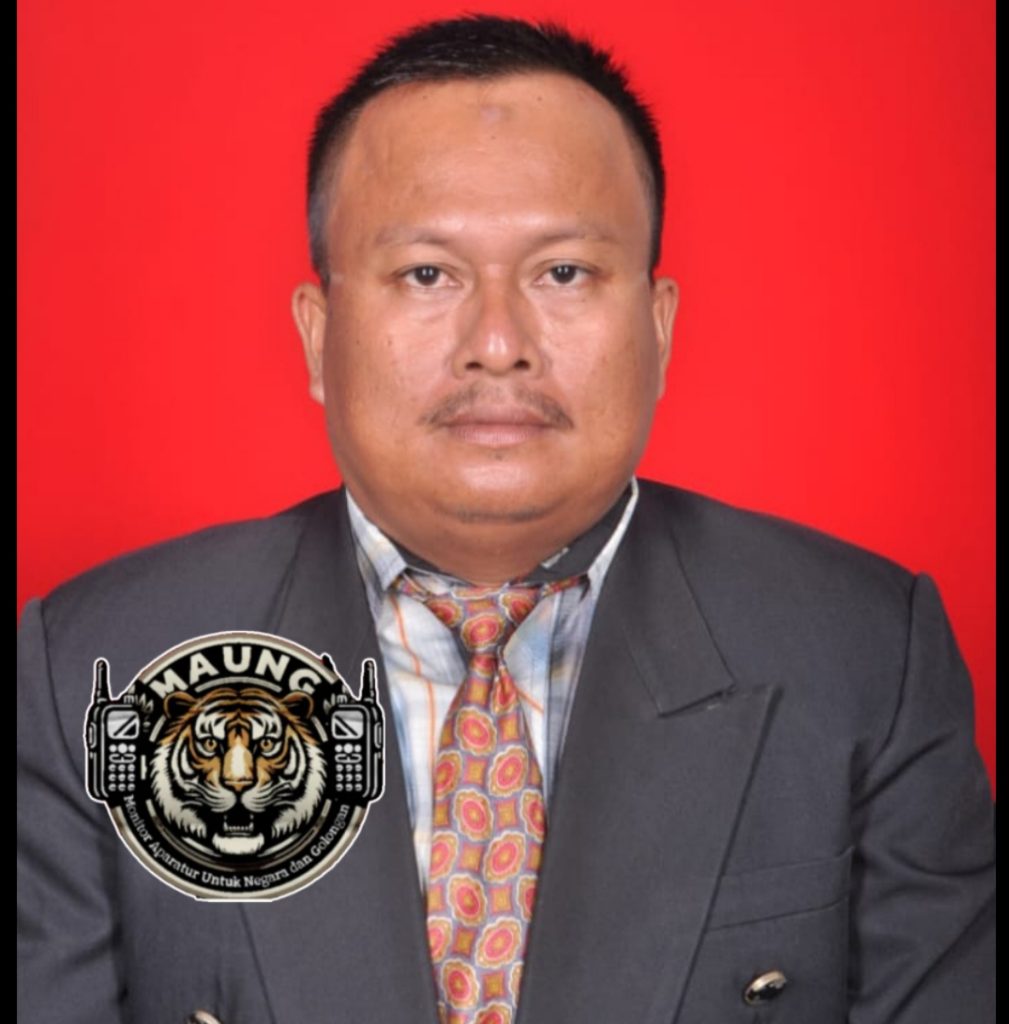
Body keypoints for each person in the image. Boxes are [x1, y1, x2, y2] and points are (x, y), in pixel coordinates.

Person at [17, 14, 994, 1024]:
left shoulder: (863, 653)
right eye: (427, 274)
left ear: (658, 328)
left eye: (562, 272)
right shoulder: (92, 667)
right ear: (317, 336)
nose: (496, 342)